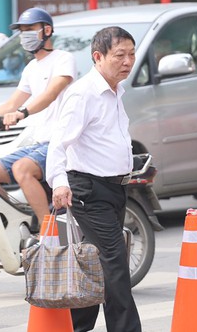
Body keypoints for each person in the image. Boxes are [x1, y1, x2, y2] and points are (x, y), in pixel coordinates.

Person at [47, 26, 142, 332]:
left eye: (131, 53)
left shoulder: (116, 91)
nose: (128, 61)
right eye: (120, 55)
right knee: (114, 261)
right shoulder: (83, 93)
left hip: (114, 189)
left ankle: (76, 327)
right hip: (89, 190)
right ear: (98, 57)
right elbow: (58, 142)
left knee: (94, 264)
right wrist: (59, 181)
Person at [0, 7, 76, 227]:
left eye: (29, 29)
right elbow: (11, 103)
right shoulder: (31, 68)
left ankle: (48, 230)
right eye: (22, 30)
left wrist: (22, 113)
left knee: (21, 168)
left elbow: (50, 93)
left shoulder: (63, 59)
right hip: (38, 142)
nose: (24, 34)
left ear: (47, 30)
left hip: (59, 141)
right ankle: (19, 222)